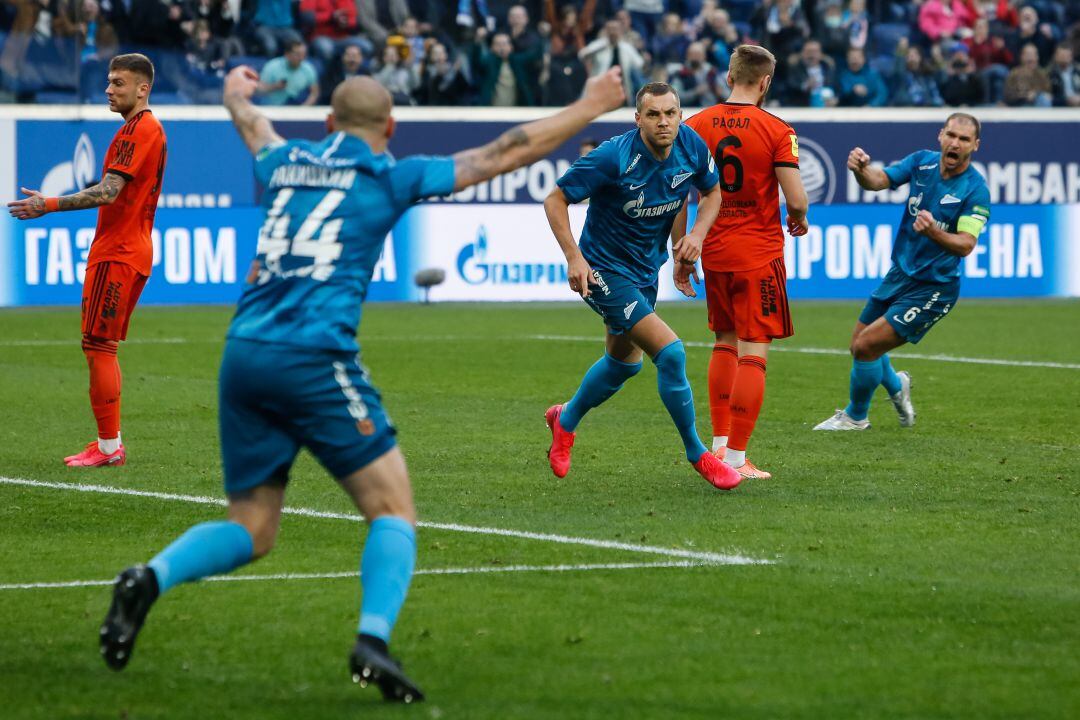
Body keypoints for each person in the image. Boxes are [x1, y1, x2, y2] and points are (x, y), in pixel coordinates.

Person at [95, 64, 627, 701]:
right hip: (313, 356)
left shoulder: (283, 159)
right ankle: (372, 641)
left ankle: (146, 580)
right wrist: (589, 105)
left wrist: (235, 90)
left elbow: (252, 123)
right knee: (392, 508)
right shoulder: (388, 173)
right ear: (391, 127)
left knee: (253, 526)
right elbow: (506, 149)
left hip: (243, 353)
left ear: (326, 123)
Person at [542, 82, 741, 492]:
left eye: (670, 113)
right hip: (604, 271)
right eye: (653, 114)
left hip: (646, 269)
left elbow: (709, 192)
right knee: (671, 353)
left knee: (623, 363)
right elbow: (555, 200)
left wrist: (693, 241)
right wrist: (574, 258)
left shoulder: (691, 146)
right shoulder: (614, 156)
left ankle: (565, 420)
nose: (663, 121)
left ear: (680, 115)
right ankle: (697, 453)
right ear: (638, 119)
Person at [7, 54, 167, 468]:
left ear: (142, 88)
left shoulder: (139, 129)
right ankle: (109, 444)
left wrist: (49, 204)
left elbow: (108, 191)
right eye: (109, 82)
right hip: (130, 248)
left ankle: (109, 447)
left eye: (118, 83)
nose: (109, 89)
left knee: (98, 345)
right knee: (100, 344)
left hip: (119, 251)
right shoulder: (142, 129)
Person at [676, 44, 809, 480]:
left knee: (723, 341)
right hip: (758, 253)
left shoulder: (695, 126)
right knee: (754, 352)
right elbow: (796, 198)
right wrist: (799, 219)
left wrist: (682, 248)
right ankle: (736, 458)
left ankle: (717, 446)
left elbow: (679, 195)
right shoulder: (777, 129)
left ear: (728, 77)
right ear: (766, 82)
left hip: (713, 250)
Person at [814, 113, 990, 431]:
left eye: (964, 139)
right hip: (900, 274)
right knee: (860, 343)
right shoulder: (921, 162)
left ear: (975, 145)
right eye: (951, 134)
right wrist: (860, 170)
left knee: (865, 347)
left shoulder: (975, 190)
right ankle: (897, 386)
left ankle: (856, 417)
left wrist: (934, 232)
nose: (955, 142)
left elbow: (966, 244)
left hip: (935, 287)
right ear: (941, 136)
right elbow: (879, 181)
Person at [259, 39, 320, 106]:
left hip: (296, 110)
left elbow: (314, 93)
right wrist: (274, 86)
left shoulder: (308, 69)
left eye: (304, 54)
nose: (301, 58)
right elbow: (258, 90)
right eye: (298, 54)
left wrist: (304, 108)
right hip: (271, 109)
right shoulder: (272, 66)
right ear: (287, 54)